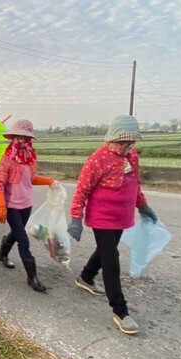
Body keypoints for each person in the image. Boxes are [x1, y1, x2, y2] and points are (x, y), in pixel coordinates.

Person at [67, 115, 158, 335]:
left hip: (121, 216)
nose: (126, 146)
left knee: (106, 251)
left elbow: (135, 185)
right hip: (102, 217)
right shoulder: (98, 159)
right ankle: (121, 311)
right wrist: (76, 218)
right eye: (122, 142)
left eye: (130, 142)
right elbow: (82, 189)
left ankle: (86, 277)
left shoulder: (131, 157)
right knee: (111, 260)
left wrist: (143, 206)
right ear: (112, 139)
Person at [0, 119, 58, 292]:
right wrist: (1, 206)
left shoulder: (31, 156)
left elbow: (31, 179)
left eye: (25, 137)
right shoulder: (7, 158)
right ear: (13, 137)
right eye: (18, 137)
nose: (21, 140)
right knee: (23, 240)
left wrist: (49, 181)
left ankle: (2, 253)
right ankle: (32, 277)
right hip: (12, 206)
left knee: (16, 234)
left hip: (27, 205)